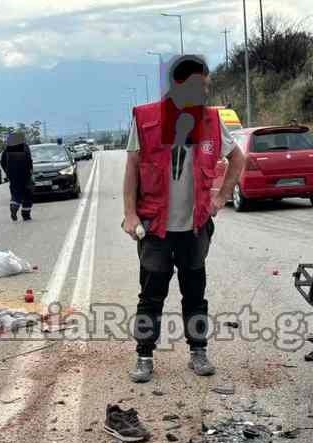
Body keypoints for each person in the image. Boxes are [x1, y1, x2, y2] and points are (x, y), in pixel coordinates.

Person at [121, 54, 247, 383]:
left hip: (195, 228)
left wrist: (221, 197)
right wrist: (130, 214)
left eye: (206, 85)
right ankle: (144, 356)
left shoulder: (210, 120)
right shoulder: (146, 118)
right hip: (156, 228)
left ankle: (198, 352)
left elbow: (238, 158)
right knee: (151, 296)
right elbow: (132, 167)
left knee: (195, 294)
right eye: (200, 85)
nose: (205, 91)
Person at [0, 131, 34, 221]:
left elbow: (2, 162)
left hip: (13, 175)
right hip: (25, 174)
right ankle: (26, 215)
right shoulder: (25, 147)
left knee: (15, 193)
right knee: (27, 194)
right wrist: (31, 170)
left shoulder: (7, 149)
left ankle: (13, 207)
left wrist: (7, 172)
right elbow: (29, 159)